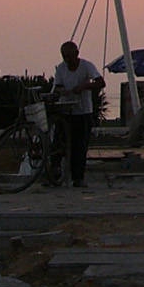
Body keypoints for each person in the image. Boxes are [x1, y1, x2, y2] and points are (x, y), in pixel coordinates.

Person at [52, 40, 104, 188]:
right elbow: (57, 87)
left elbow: (100, 82)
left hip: (83, 112)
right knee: (58, 143)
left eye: (69, 56)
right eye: (64, 57)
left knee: (80, 147)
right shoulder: (61, 69)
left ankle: (78, 178)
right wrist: (62, 91)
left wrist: (84, 86)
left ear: (76, 54)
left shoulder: (87, 66)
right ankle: (55, 174)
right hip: (66, 111)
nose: (67, 60)